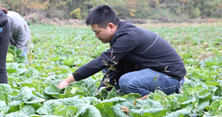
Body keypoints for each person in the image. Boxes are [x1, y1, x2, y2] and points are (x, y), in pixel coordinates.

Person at [57, 5, 186, 96]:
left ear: (110, 26)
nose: (96, 36)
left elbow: (103, 61)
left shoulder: (129, 36)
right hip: (153, 74)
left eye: (97, 32)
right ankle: (138, 98)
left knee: (127, 82)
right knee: (114, 74)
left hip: (172, 79)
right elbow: (114, 66)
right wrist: (102, 92)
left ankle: (158, 103)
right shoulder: (121, 34)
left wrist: (69, 80)